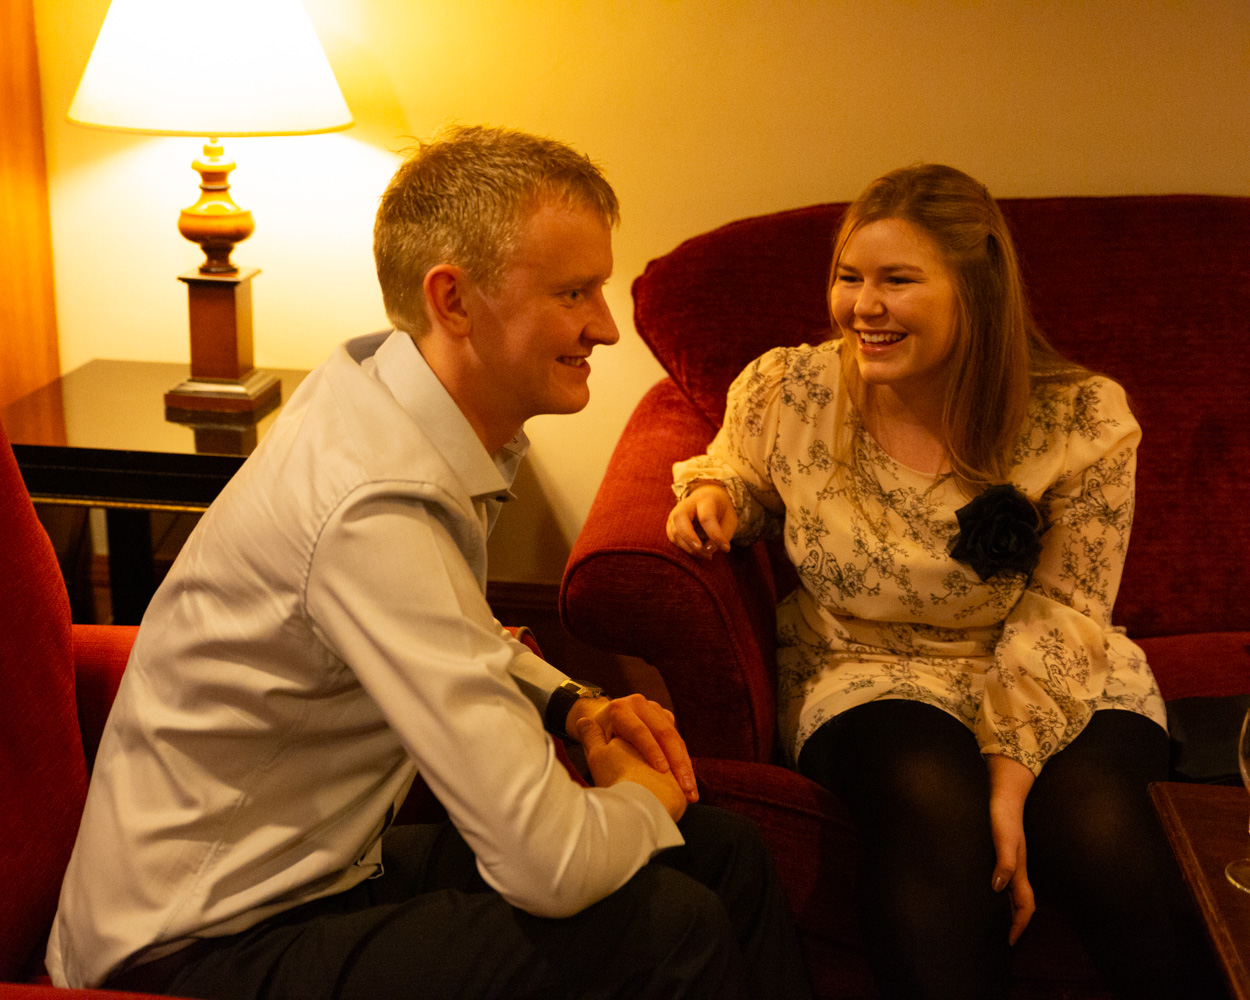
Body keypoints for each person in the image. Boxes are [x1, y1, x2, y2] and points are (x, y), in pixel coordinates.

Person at [48, 125, 811, 1000]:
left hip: (319, 874)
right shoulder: (370, 503)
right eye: (573, 292)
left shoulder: (383, 400)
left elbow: (449, 626)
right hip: (197, 946)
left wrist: (571, 706)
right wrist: (644, 800)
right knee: (668, 930)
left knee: (727, 857)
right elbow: (546, 867)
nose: (604, 325)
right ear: (451, 300)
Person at [667, 164, 1217, 999]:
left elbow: (1067, 608)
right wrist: (717, 498)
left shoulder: (1081, 418)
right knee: (932, 807)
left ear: (977, 290)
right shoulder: (790, 388)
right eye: (848, 278)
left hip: (1045, 664)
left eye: (897, 281)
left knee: (1098, 831)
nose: (862, 306)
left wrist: (1009, 778)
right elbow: (742, 468)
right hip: (865, 664)